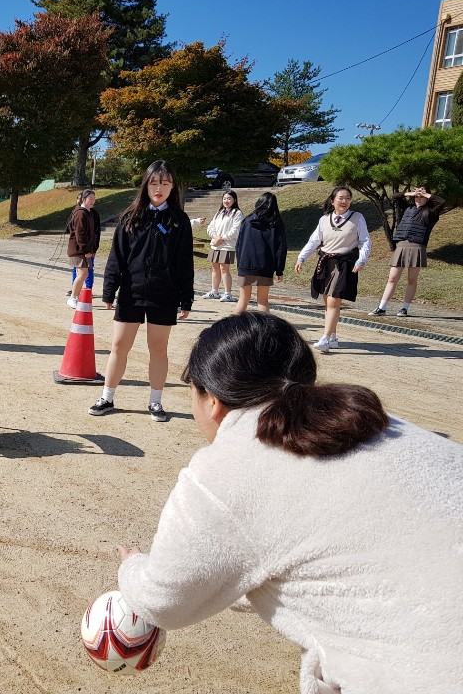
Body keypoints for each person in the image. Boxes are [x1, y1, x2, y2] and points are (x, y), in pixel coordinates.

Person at [115, 312, 463, 694]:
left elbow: (163, 601)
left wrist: (133, 565)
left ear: (212, 400)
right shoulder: (384, 425)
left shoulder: (228, 467)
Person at [89, 160, 194, 421]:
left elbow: (185, 262)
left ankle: (155, 401)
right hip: (131, 292)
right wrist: (109, 290)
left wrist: (186, 298)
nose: (159, 188)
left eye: (166, 183)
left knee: (158, 348)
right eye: (155, 182)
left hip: (164, 294)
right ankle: (107, 396)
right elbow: (117, 257)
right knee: (119, 346)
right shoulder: (130, 217)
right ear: (146, 184)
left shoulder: (179, 221)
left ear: (173, 186)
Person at [294, 186, 370, 353]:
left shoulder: (357, 218)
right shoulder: (324, 219)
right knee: (327, 300)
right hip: (326, 262)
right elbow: (314, 240)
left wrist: (361, 260)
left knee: (334, 300)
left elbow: (365, 241)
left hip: (344, 263)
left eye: (348, 198)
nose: (344, 201)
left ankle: (325, 338)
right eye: (341, 198)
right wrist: (302, 257)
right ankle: (333, 337)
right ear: (332, 201)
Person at [369, 186, 446, 318]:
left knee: (411, 279)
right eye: (417, 196)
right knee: (392, 278)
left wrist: (426, 194)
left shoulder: (432, 212)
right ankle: (382, 307)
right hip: (401, 245)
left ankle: (404, 308)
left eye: (422, 196)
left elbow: (441, 202)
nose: (419, 198)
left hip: (417, 246)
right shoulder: (407, 208)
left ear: (427, 198)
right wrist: (413, 193)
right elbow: (396, 196)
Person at [234, 192, 287, 314]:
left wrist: (240, 264)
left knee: (243, 298)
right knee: (263, 300)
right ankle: (265, 329)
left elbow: (239, 244)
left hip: (245, 264)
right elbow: (281, 248)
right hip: (265, 265)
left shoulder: (247, 221)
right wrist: (279, 269)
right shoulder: (276, 223)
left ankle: (234, 326)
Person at [201, 190, 243, 302]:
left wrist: (222, 239)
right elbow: (210, 227)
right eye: (224, 198)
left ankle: (228, 293)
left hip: (227, 246)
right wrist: (215, 237)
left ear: (234, 200)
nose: (226, 201)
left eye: (229, 198)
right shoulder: (219, 213)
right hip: (215, 245)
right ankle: (214, 291)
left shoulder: (237, 213)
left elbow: (236, 230)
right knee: (215, 268)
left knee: (224, 269)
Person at [66, 189, 101, 308]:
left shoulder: (89, 213)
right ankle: (73, 298)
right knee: (82, 274)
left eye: (94, 199)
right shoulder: (81, 213)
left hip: (84, 250)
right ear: (83, 199)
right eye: (90, 199)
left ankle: (76, 296)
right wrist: (86, 250)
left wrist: (93, 250)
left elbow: (93, 233)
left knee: (83, 274)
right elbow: (80, 234)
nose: (92, 201)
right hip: (78, 250)